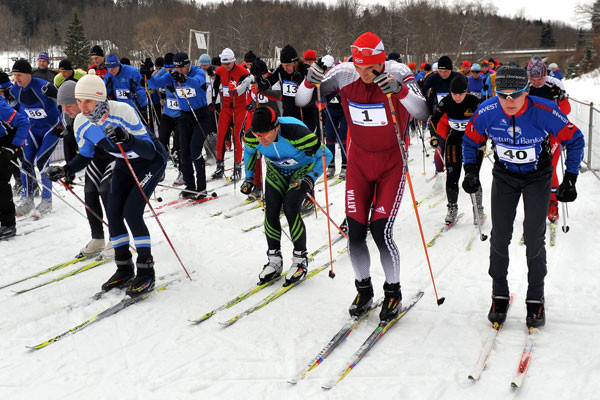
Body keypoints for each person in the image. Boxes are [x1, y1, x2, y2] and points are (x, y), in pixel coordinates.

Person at [297, 32, 429, 321]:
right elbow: (302, 99)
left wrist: (400, 91)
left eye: (370, 68)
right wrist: (311, 78)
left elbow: (422, 112)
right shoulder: (345, 75)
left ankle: (393, 292)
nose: (365, 74)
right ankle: (364, 289)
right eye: (359, 67)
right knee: (355, 233)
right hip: (358, 163)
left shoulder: (399, 73)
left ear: (381, 63)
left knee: (381, 231)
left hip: (391, 164)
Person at [462, 65, 585, 328]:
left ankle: (535, 296)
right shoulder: (488, 111)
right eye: (502, 95)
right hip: (505, 176)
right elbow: (470, 141)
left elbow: (575, 139)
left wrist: (570, 177)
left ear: (526, 91)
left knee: (533, 235)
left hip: (537, 177)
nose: (508, 101)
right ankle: (499, 294)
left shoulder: (544, 110)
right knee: (501, 234)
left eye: (514, 95)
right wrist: (470, 171)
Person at [45, 72, 167, 296]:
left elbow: (149, 151)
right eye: (79, 101)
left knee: (132, 212)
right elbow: (86, 155)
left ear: (100, 98)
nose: (83, 107)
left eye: (88, 101)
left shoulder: (123, 112)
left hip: (150, 162)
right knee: (113, 212)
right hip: (123, 162)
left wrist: (128, 138)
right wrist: (66, 169)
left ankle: (146, 272)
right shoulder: (81, 123)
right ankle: (123, 268)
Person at [240, 106, 332, 286]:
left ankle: (300, 260)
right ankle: (274, 259)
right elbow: (250, 152)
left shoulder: (296, 133)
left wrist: (311, 178)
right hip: (277, 169)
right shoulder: (252, 135)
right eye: (258, 135)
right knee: (271, 210)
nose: (261, 139)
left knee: (291, 208)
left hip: (302, 168)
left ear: (276, 128)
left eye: (265, 134)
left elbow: (325, 155)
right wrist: (249, 178)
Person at [55, 81, 115, 257]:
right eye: (62, 106)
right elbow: (82, 152)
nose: (65, 110)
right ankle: (97, 238)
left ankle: (118, 238)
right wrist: (65, 170)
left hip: (116, 156)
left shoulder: (100, 113)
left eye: (68, 105)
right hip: (96, 157)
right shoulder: (75, 119)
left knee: (106, 190)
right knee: (90, 192)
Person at [145, 52, 211, 199]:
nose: (179, 70)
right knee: (184, 152)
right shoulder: (173, 74)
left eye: (182, 67)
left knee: (195, 150)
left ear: (188, 64)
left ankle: (202, 188)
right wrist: (148, 75)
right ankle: (190, 186)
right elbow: (155, 84)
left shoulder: (197, 71)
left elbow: (197, 82)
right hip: (185, 116)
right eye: (177, 67)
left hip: (201, 115)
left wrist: (185, 78)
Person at [10, 59, 62, 216]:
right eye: (14, 75)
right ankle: (27, 199)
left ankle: (47, 200)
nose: (16, 78)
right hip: (33, 128)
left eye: (19, 75)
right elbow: (15, 110)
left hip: (51, 127)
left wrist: (63, 125)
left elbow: (64, 101)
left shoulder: (44, 87)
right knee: (25, 161)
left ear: (28, 75)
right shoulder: (14, 90)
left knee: (42, 161)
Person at [430, 75, 483, 226]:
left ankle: (478, 209)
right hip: (454, 140)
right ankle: (452, 208)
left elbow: (485, 120)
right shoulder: (446, 101)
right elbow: (433, 120)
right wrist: (434, 136)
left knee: (473, 175)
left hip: (473, 142)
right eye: (454, 94)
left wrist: (484, 138)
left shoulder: (473, 101)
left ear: (466, 92)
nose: (457, 97)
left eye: (460, 94)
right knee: (452, 175)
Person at [526, 56, 571, 223]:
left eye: (540, 78)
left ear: (546, 74)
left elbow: (565, 111)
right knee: (531, 167)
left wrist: (562, 98)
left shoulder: (555, 84)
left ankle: (553, 202)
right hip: (532, 131)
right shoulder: (525, 85)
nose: (537, 82)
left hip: (552, 131)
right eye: (533, 79)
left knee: (550, 167)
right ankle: (536, 201)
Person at [257, 44, 319, 133]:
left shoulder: (307, 70)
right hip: (288, 115)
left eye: (288, 65)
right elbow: (265, 85)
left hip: (306, 116)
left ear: (295, 62)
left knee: (307, 144)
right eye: (283, 65)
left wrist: (303, 83)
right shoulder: (281, 71)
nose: (285, 68)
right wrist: (258, 75)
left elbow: (318, 91)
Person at [210, 48, 250, 181]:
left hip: (239, 107)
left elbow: (246, 88)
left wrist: (237, 90)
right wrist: (213, 101)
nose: (226, 66)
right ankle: (220, 166)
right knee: (221, 135)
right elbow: (215, 87)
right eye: (224, 63)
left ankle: (237, 167)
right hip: (226, 107)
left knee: (237, 135)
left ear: (233, 61)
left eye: (228, 63)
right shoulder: (220, 71)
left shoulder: (243, 72)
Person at [0, 72, 30, 240]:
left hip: (9, 143)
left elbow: (24, 122)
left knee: (1, 183)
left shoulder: (1, 106)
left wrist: (13, 147)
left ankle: (8, 225)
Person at [422, 55, 462, 181]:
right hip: (440, 118)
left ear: (451, 69)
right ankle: (439, 173)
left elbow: (467, 96)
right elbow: (424, 92)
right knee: (440, 145)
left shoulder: (458, 77)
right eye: (441, 71)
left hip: (456, 118)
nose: (443, 74)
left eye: (446, 71)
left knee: (456, 147)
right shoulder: (434, 78)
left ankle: (456, 172)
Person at [320, 55, 347, 179]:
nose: (326, 71)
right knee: (329, 137)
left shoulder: (339, 73)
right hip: (330, 110)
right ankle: (331, 166)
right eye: (324, 69)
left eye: (328, 69)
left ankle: (345, 165)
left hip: (342, 111)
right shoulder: (322, 76)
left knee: (343, 138)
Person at [104, 54, 148, 125]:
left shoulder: (132, 72)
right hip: (122, 109)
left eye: (113, 68)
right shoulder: (109, 75)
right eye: (109, 68)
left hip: (137, 107)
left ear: (118, 65)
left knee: (141, 130)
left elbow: (142, 87)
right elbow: (105, 91)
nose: (111, 71)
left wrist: (136, 95)